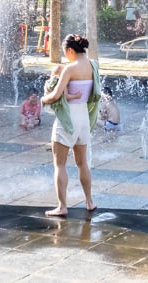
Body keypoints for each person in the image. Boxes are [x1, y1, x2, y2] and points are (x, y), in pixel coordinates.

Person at [41, 34, 101, 216]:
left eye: (65, 52)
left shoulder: (70, 69)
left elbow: (55, 96)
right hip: (84, 116)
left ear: (70, 50)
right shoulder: (93, 65)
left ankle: (62, 206)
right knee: (82, 163)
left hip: (68, 118)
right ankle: (89, 202)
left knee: (59, 164)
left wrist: (43, 99)